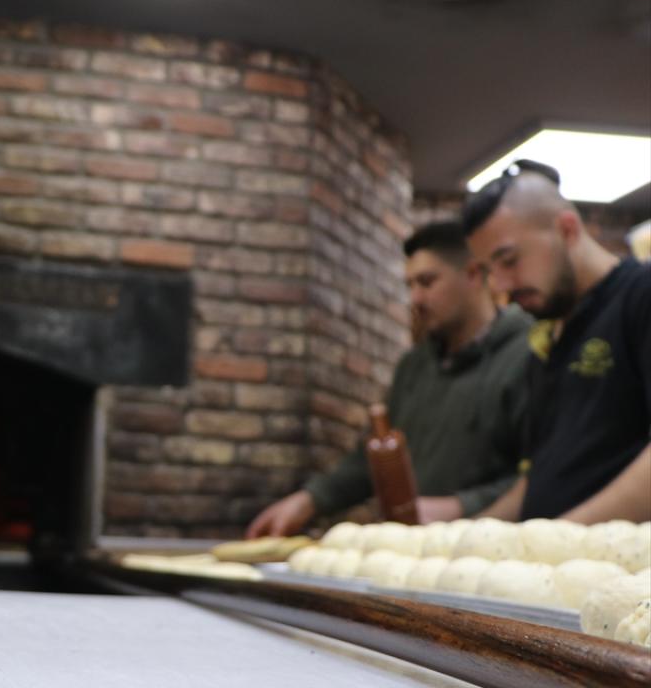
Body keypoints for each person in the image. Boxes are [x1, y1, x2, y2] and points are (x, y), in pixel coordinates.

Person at [247, 222, 531, 538]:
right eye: (410, 285)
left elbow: (543, 472)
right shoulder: (414, 367)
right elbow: (370, 462)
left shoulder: (527, 355)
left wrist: (459, 506)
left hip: (489, 548)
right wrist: (310, 500)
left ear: (473, 275)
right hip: (413, 548)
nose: (416, 298)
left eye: (427, 282)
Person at [462, 159, 651, 523]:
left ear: (567, 229)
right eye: (489, 271)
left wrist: (562, 536)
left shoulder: (641, 296)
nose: (500, 286)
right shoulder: (547, 343)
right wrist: (468, 537)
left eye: (509, 260)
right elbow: (539, 479)